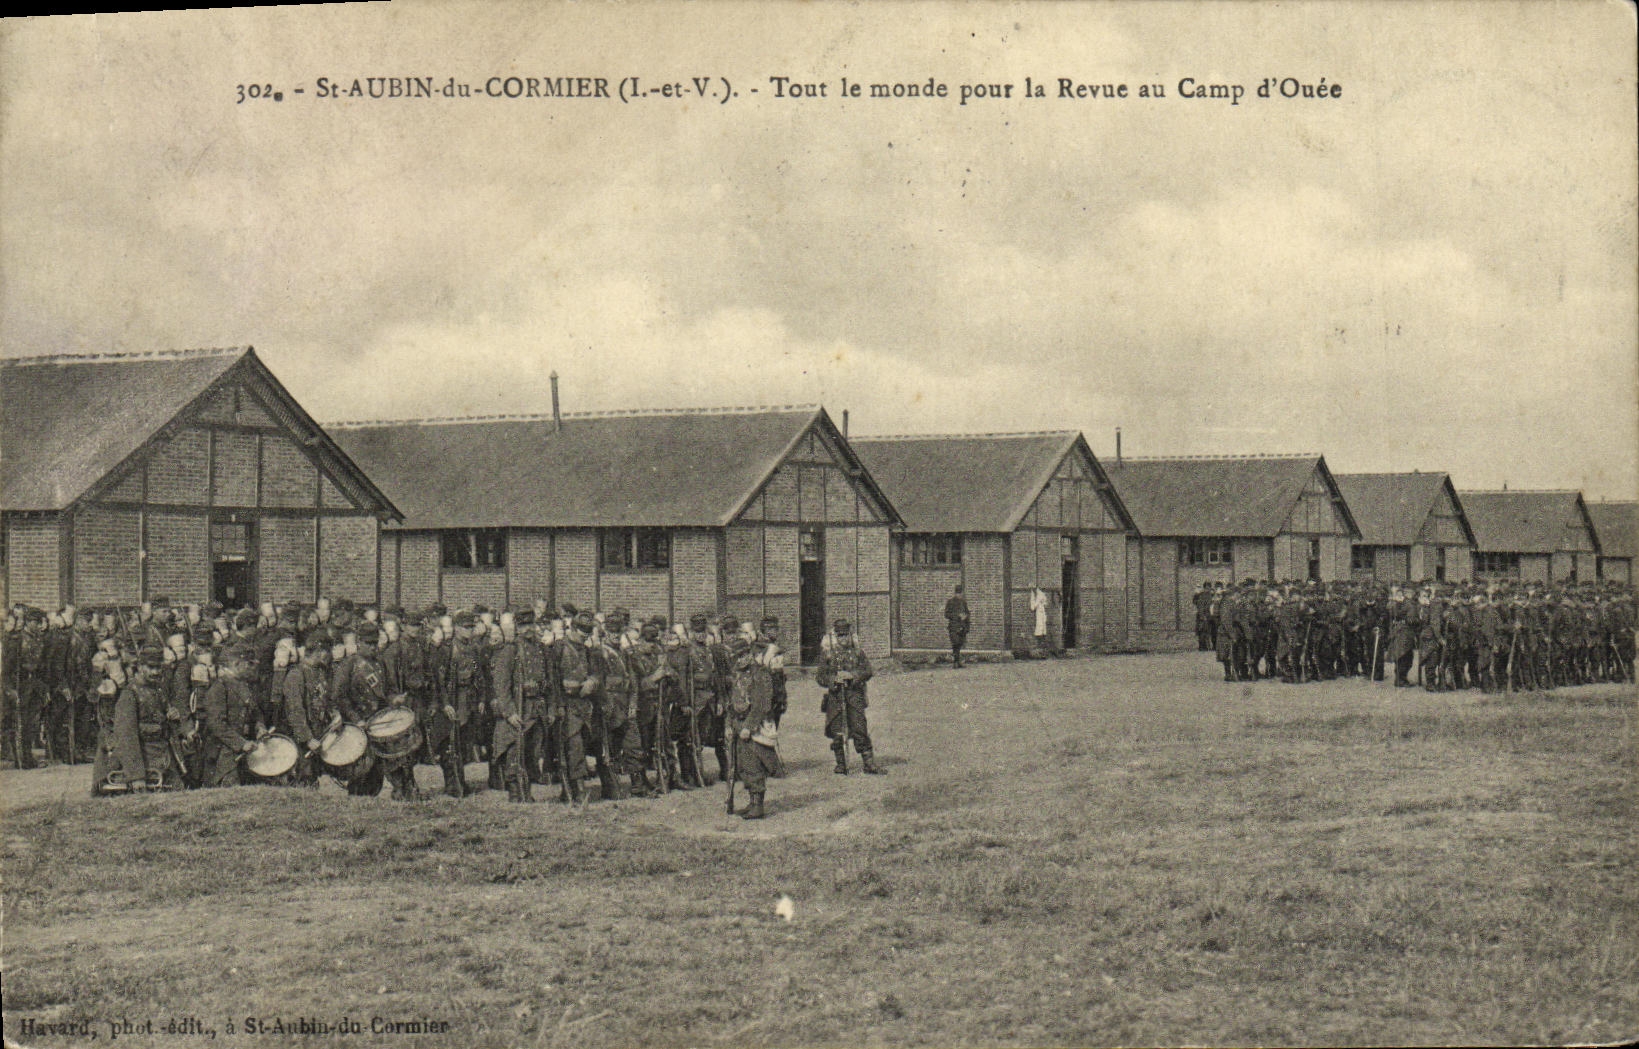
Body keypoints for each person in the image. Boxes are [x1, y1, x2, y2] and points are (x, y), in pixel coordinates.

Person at [816, 618, 881, 775]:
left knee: (860, 728)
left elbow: (868, 671)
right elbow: (820, 676)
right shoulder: (828, 654)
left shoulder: (858, 652)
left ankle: (869, 763)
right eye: (840, 635)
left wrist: (852, 675)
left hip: (854, 696)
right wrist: (834, 679)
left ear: (850, 635)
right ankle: (841, 764)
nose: (843, 638)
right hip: (835, 698)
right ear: (835, 636)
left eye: (845, 635)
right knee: (837, 731)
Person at [724, 632, 778, 819]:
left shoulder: (760, 673)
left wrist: (748, 726)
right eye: (736, 657)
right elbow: (732, 703)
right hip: (739, 724)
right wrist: (729, 724)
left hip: (755, 727)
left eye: (743, 655)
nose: (740, 660)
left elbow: (763, 704)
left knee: (754, 765)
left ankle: (758, 805)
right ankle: (752, 802)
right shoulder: (737, 675)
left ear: (749, 653)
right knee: (743, 765)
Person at [198, 646, 261, 788]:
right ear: (236, 664)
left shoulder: (245, 685)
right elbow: (216, 724)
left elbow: (254, 712)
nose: (251, 668)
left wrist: (259, 726)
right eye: (248, 664)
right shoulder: (219, 687)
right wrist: (241, 743)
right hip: (223, 755)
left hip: (245, 750)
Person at [944, 585, 971, 667]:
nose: (959, 595)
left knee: (960, 643)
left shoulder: (963, 602)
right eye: (958, 593)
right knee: (955, 643)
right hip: (954, 626)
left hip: (962, 627)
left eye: (960, 593)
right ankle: (955, 662)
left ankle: (958, 662)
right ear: (955, 593)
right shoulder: (950, 602)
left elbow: (967, 612)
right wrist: (957, 616)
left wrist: (966, 616)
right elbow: (946, 614)